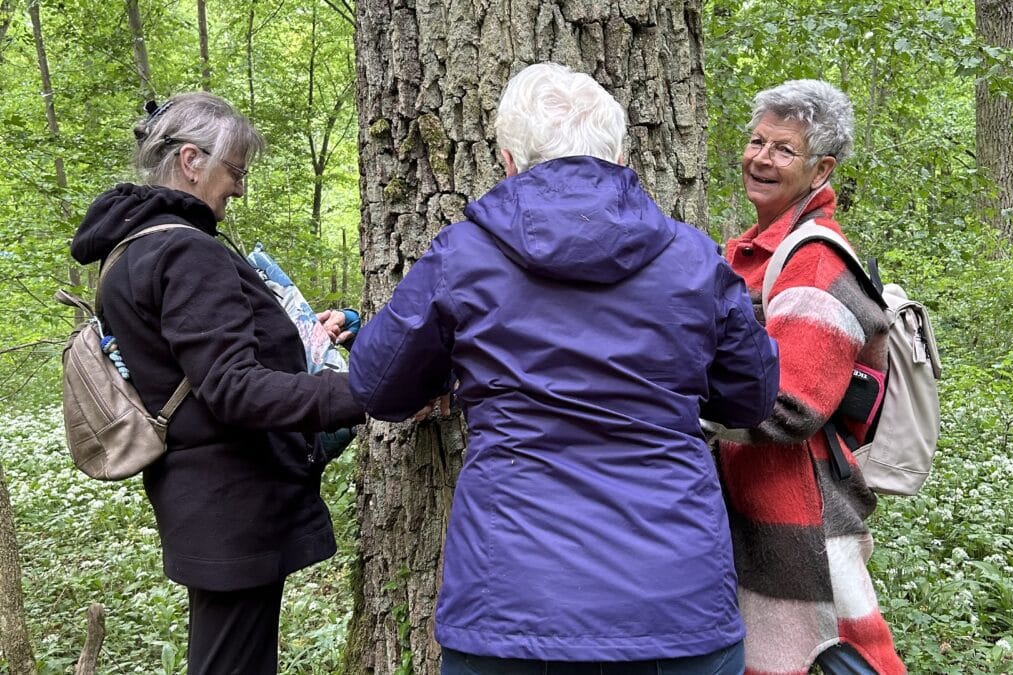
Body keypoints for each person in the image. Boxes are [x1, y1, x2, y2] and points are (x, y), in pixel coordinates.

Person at [345, 62, 779, 674]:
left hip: (512, 605)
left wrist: (458, 372)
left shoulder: (464, 256)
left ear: (508, 160)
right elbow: (750, 398)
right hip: (673, 603)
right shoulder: (692, 260)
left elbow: (377, 385)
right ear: (622, 153)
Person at [69, 92, 367, 674]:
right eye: (235, 171)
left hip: (200, 503)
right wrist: (368, 392)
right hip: (236, 509)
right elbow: (234, 387)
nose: (238, 187)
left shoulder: (128, 251)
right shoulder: (185, 250)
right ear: (191, 160)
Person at [709, 80, 906, 674]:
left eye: (783, 149)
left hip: (800, 515)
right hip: (753, 507)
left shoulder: (814, 261)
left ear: (822, 168)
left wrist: (672, 411)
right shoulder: (752, 253)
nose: (760, 158)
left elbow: (791, 404)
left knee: (845, 655)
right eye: (756, 141)